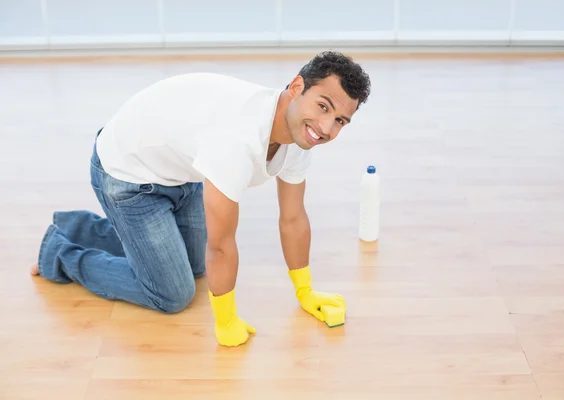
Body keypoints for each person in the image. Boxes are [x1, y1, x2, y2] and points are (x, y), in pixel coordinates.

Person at [32, 50, 371, 347]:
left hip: (185, 172)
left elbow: (293, 219)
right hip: (126, 175)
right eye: (323, 107)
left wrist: (305, 292)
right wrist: (225, 321)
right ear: (297, 87)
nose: (326, 128)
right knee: (172, 294)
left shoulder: (299, 134)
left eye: (340, 120)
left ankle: (75, 224)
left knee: (196, 268)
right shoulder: (236, 140)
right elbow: (221, 246)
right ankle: (57, 255)